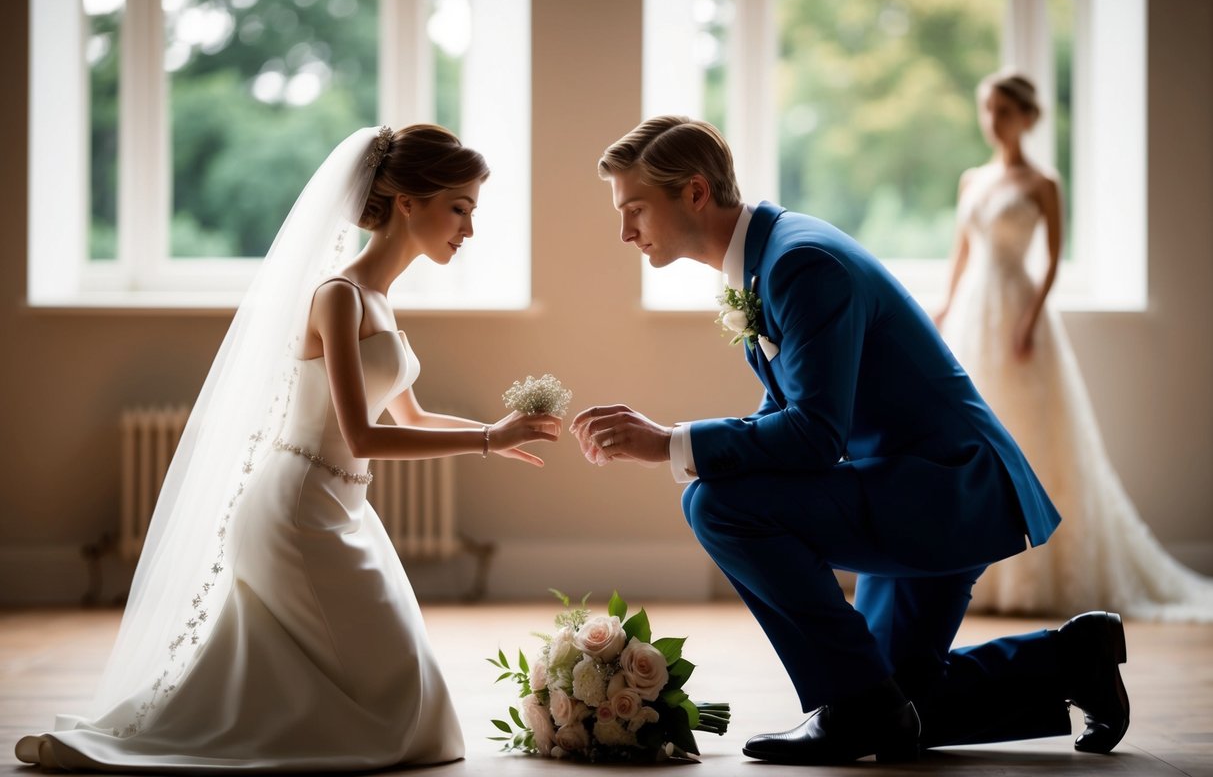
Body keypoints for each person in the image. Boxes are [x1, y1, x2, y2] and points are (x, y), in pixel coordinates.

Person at [570, 115, 1130, 764]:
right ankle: (1073, 656)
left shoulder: (800, 263)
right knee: (900, 701)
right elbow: (792, 414)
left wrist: (671, 443)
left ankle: (853, 709)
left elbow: (812, 434)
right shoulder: (771, 257)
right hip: (905, 480)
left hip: (944, 487)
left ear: (694, 191)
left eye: (634, 208)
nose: (625, 230)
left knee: (715, 503)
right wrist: (689, 448)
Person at [15, 125, 561, 771]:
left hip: (344, 510)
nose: (468, 229)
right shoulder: (338, 296)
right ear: (409, 202)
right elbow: (361, 435)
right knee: (411, 720)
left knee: (425, 716)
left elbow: (410, 413)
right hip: (298, 514)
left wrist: (500, 432)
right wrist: (485, 441)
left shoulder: (381, 300)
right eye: (460, 208)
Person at [935, 71, 1213, 621]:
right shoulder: (973, 179)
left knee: (1033, 432)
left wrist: (1030, 321)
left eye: (1003, 111)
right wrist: (944, 307)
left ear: (1027, 117)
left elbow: (1054, 259)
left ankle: (1036, 569)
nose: (992, 121)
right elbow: (961, 251)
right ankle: (974, 571)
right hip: (973, 310)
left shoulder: (1044, 184)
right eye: (986, 109)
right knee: (975, 432)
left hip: (1018, 311)